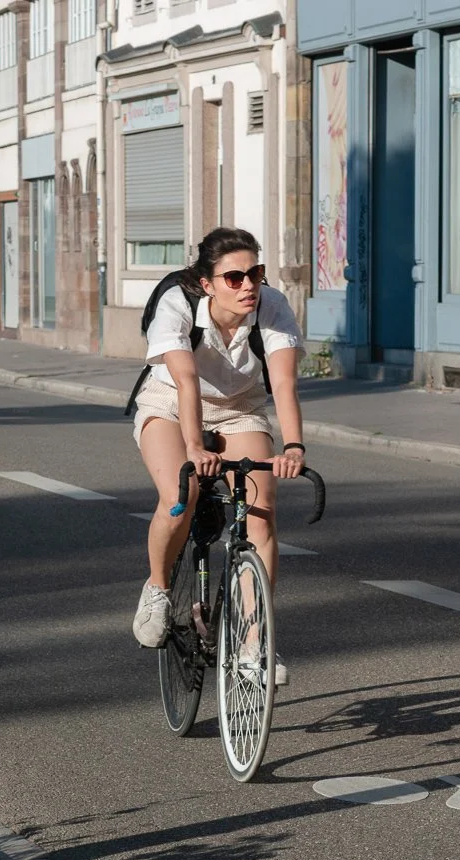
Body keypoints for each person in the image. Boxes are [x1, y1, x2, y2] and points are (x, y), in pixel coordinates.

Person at [129, 227, 305, 685]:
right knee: (181, 493)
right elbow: (186, 381)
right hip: (170, 403)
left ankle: (253, 643)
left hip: (239, 409)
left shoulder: (272, 307)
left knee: (261, 513)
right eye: (234, 277)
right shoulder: (177, 304)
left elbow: (284, 384)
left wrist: (293, 447)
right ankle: (158, 588)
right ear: (207, 284)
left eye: (255, 273)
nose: (248, 285)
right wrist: (193, 446)